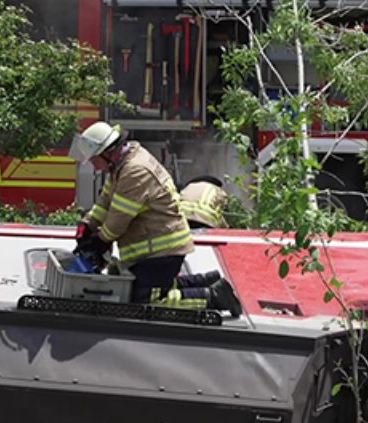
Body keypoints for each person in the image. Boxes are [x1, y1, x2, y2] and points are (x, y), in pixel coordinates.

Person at [70, 122, 242, 316]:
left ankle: (214, 296)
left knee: (146, 302)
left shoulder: (134, 171)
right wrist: (87, 224)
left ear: (107, 152)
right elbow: (104, 202)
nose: (95, 166)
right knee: (156, 287)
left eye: (94, 161)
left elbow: (117, 221)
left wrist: (99, 242)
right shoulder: (121, 165)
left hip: (160, 251)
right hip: (155, 249)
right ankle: (208, 280)